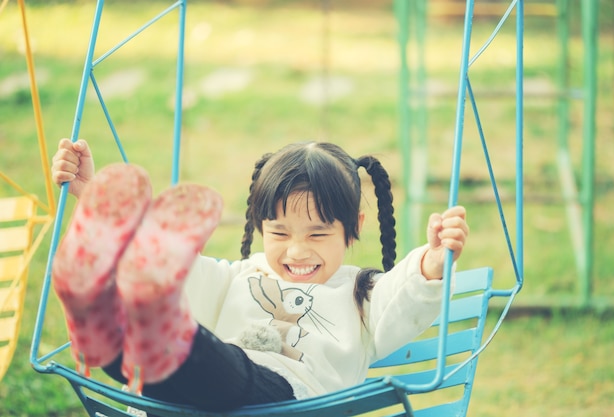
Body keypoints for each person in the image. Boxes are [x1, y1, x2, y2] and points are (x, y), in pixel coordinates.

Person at [50, 138, 469, 412]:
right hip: (203, 397)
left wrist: (432, 260)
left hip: (288, 400)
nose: (297, 249)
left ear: (353, 226)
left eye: (318, 234)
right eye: (280, 232)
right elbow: (185, 274)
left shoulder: (363, 293)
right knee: (165, 373)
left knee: (216, 364)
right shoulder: (240, 276)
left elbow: (404, 295)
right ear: (260, 226)